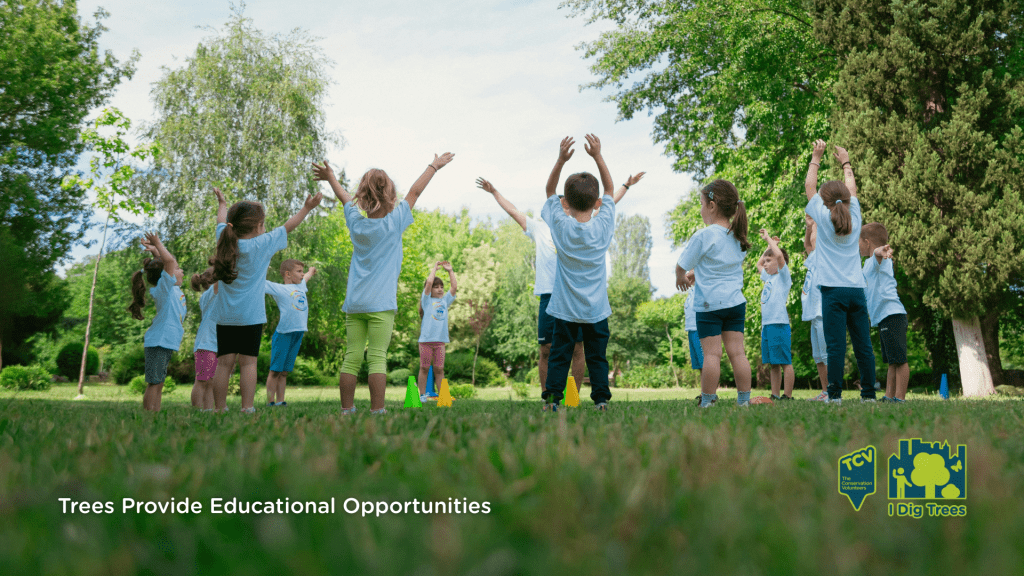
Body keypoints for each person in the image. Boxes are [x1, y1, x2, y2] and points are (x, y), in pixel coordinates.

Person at [313, 152, 455, 415]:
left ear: (363, 198)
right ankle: (378, 409)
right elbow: (415, 192)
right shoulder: (395, 222)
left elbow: (345, 199)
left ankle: (347, 409)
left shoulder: (356, 224)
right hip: (381, 304)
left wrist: (331, 178)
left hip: (355, 303)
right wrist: (434, 166)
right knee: (377, 356)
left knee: (352, 356)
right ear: (391, 196)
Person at [476, 171, 643, 395]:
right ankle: (549, 395)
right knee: (547, 349)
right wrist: (494, 192)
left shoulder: (582, 228)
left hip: (574, 296)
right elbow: (513, 211)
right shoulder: (541, 227)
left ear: (570, 203)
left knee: (577, 348)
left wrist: (626, 185)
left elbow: (603, 203)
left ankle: (573, 394)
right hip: (549, 294)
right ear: (561, 203)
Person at [208, 191, 323, 413]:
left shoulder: (224, 240)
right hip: (251, 316)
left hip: (224, 315)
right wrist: (307, 208)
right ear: (258, 226)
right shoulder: (263, 244)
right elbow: (289, 226)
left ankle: (219, 408)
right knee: (248, 363)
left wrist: (221, 203)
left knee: (224, 364)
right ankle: (247, 407)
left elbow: (221, 220)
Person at [536, 134, 624, 411]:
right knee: (597, 357)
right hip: (596, 309)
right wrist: (598, 155)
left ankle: (552, 401)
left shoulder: (561, 226)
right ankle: (600, 401)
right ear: (596, 203)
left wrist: (561, 160)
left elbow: (550, 191)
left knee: (559, 356)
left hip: (564, 309)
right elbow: (610, 189)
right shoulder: (603, 225)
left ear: (567, 203)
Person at [805, 139, 877, 404]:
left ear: (825, 203)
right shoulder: (855, 218)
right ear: (847, 201)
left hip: (832, 292)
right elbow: (852, 188)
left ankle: (834, 396)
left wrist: (816, 156)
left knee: (835, 347)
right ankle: (868, 395)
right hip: (857, 291)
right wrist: (846, 162)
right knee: (863, 346)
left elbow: (809, 186)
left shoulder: (823, 220)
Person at [675, 179, 752, 408]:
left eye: (701, 204)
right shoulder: (738, 236)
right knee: (738, 354)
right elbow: (720, 265)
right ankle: (744, 401)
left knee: (712, 355)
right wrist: (697, 274)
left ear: (711, 206)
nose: (700, 209)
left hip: (710, 305)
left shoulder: (704, 236)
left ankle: (707, 401)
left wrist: (681, 276)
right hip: (735, 304)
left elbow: (681, 264)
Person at [128, 232, 186, 412]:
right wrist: (159, 243)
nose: (181, 271)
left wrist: (155, 252)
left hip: (165, 341)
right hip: (159, 340)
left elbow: (162, 265)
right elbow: (167, 264)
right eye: (178, 269)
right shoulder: (164, 289)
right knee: (154, 382)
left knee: (159, 381)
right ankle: (148, 414)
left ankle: (155, 412)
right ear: (167, 275)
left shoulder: (169, 288)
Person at [860, 223, 909, 403]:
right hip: (883, 317)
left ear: (867, 242)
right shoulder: (867, 264)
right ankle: (889, 395)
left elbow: (877, 253)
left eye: (858, 243)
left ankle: (900, 397)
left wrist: (881, 251)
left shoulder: (878, 259)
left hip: (892, 314)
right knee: (892, 360)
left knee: (900, 359)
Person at [264, 259, 317, 406]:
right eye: (298, 271)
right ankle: (270, 402)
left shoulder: (301, 286)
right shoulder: (279, 289)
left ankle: (280, 401)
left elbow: (306, 278)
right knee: (275, 370)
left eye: (302, 271)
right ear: (287, 274)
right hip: (284, 334)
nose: (302, 274)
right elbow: (259, 282)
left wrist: (310, 271)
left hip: (298, 333)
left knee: (285, 372)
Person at [756, 229, 794, 401]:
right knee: (773, 363)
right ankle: (775, 395)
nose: (764, 264)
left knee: (785, 362)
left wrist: (770, 241)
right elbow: (758, 264)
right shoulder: (769, 278)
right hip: (767, 326)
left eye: (768, 261)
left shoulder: (783, 277)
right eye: (765, 261)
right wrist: (768, 248)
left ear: (779, 263)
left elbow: (779, 257)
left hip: (779, 324)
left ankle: (787, 395)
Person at [416, 261, 457, 400]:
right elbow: (428, 284)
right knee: (424, 368)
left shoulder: (445, 301)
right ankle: (421, 395)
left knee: (439, 369)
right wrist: (434, 269)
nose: (440, 289)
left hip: (440, 342)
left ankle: (443, 396)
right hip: (426, 341)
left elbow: (454, 287)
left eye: (441, 287)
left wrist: (450, 271)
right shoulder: (426, 301)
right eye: (436, 287)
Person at [802, 214, 829, 401]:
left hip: (822, 310)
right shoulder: (812, 260)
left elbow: (815, 241)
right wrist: (808, 226)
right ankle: (825, 392)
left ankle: (833, 392)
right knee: (818, 356)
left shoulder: (825, 258)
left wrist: (816, 222)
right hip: (813, 313)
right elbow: (807, 245)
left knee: (826, 355)